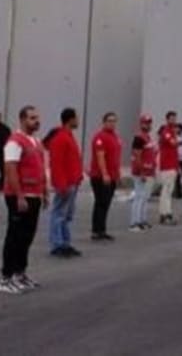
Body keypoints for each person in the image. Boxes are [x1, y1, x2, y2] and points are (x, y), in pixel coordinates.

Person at [0, 106, 47, 295]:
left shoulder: (35, 141)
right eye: (32, 118)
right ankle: (6, 277)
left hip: (34, 195)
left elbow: (40, 168)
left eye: (37, 117)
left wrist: (44, 192)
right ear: (22, 120)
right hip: (19, 196)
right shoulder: (14, 141)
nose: (36, 121)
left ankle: (20, 272)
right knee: (15, 236)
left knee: (27, 236)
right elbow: (10, 169)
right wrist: (19, 195)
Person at [47, 108, 83, 257]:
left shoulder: (68, 136)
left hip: (72, 181)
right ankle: (57, 244)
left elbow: (73, 159)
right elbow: (57, 163)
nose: (78, 121)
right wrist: (60, 184)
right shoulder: (61, 138)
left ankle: (65, 242)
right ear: (70, 120)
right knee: (59, 213)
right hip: (65, 183)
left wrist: (79, 176)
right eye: (76, 118)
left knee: (67, 215)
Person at [89, 112, 121, 240]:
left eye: (114, 121)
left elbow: (116, 158)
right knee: (101, 203)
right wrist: (105, 174)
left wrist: (117, 176)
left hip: (112, 175)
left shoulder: (115, 137)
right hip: (100, 176)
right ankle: (97, 230)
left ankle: (101, 229)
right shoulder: (100, 137)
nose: (112, 123)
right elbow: (100, 156)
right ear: (104, 122)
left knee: (106, 203)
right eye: (109, 121)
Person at [129, 115, 157, 231]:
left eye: (149, 123)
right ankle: (134, 223)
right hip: (141, 172)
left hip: (149, 172)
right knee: (139, 197)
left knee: (145, 197)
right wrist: (141, 172)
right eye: (145, 123)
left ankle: (142, 220)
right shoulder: (138, 138)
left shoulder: (148, 138)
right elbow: (137, 156)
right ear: (141, 124)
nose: (148, 125)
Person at [156, 111, 180, 225]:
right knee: (166, 191)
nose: (174, 120)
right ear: (167, 119)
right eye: (171, 118)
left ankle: (165, 213)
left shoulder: (172, 132)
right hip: (167, 166)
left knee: (168, 191)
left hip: (172, 165)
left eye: (175, 118)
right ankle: (165, 215)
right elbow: (173, 143)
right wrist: (178, 140)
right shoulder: (166, 131)